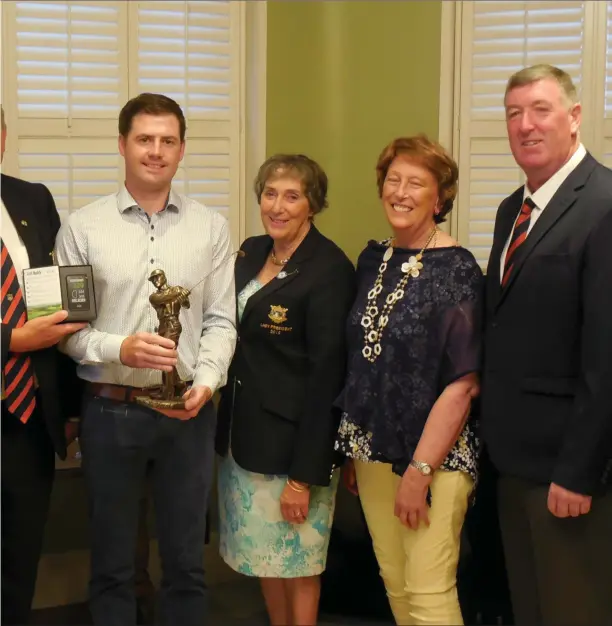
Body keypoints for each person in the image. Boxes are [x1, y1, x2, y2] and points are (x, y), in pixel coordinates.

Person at [55, 93, 237, 626]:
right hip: (111, 413)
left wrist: (204, 382)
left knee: (186, 564)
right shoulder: (82, 228)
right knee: (112, 565)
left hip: (189, 417)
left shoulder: (211, 228)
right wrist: (120, 347)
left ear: (182, 150)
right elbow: (68, 331)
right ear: (122, 145)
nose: (155, 151)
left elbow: (222, 321)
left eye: (167, 141)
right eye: (144, 139)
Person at [481, 64, 612, 625]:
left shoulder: (604, 204)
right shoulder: (512, 210)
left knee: (573, 611)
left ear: (575, 117)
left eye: (541, 110)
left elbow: (607, 357)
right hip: (511, 464)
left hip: (569, 473)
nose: (526, 126)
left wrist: (579, 471)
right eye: (514, 114)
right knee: (530, 611)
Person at [334, 135, 483, 626]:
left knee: (428, 591)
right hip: (372, 453)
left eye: (416, 182)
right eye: (393, 180)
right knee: (396, 585)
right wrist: (358, 451)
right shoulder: (371, 260)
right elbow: (366, 364)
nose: (400, 191)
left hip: (433, 459)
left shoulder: (458, 269)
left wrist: (419, 472)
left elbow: (462, 383)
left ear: (438, 199)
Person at [215, 154, 355, 626]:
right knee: (264, 562)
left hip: (295, 450)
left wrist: (303, 477)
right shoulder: (253, 251)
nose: (278, 206)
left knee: (298, 565)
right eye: (270, 194)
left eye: (292, 196)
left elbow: (327, 380)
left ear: (312, 205)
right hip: (244, 440)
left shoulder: (330, 269)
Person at [1, 106, 85, 624]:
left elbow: (57, 304)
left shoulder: (32, 199)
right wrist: (10, 339)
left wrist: (70, 407)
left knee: (19, 553)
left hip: (27, 415)